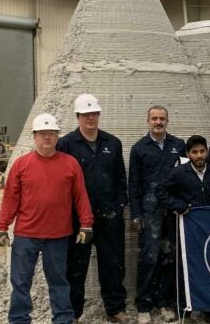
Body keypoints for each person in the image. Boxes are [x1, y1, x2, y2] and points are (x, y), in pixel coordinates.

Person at [0, 113, 93, 324]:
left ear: (57, 136)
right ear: (34, 136)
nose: (47, 138)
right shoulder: (21, 165)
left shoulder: (70, 164)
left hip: (58, 236)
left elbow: (80, 196)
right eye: (43, 134)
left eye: (51, 133)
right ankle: (19, 320)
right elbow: (10, 199)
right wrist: (2, 227)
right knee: (20, 282)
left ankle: (63, 319)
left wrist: (86, 225)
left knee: (59, 282)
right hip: (25, 236)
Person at [56, 94, 129, 324]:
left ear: (98, 115)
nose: (91, 118)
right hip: (78, 219)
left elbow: (120, 179)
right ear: (78, 116)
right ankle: (73, 313)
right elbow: (61, 181)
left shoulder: (112, 143)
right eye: (86, 114)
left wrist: (118, 205)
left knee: (113, 263)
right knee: (76, 265)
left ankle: (115, 308)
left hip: (109, 215)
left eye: (94, 113)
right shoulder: (66, 144)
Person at [156, 135, 210, 323]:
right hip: (185, 230)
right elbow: (160, 191)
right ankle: (184, 310)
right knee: (184, 268)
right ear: (188, 154)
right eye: (194, 152)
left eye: (202, 151)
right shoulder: (179, 172)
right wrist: (176, 204)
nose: (199, 155)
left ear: (207, 152)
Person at [129, 105, 187, 324]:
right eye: (154, 118)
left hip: (171, 210)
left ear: (167, 121)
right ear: (148, 121)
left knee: (168, 257)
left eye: (162, 118)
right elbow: (133, 185)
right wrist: (136, 215)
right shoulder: (139, 148)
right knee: (148, 258)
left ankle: (163, 303)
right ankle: (144, 306)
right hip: (149, 211)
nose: (158, 122)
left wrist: (183, 204)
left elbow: (184, 178)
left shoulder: (178, 146)